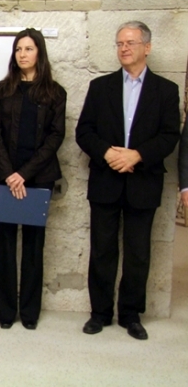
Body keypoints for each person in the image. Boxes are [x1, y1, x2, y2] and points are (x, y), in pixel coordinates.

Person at [76, 21, 179, 340]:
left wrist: (137, 155)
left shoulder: (166, 90)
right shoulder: (100, 86)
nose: (124, 48)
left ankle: (131, 315)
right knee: (102, 250)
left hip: (143, 182)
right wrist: (108, 153)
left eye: (130, 43)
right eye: (119, 43)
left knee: (138, 253)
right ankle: (100, 313)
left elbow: (170, 135)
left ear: (147, 47)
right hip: (105, 180)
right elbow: (84, 131)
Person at [0, 28, 66, 330]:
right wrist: (10, 173)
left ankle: (30, 313)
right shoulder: (3, 89)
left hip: (38, 176)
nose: (22, 54)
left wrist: (24, 174)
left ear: (39, 53)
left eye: (29, 48)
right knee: (4, 244)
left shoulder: (55, 92)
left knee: (34, 245)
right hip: (6, 176)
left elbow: (56, 136)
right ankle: (5, 312)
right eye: (19, 49)